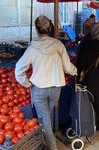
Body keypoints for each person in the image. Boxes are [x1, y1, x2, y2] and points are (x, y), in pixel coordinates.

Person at [15, 15, 77, 150]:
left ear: (37, 30)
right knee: (48, 115)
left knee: (45, 118)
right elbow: (67, 67)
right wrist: (75, 71)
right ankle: (48, 137)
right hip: (56, 88)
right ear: (49, 29)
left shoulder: (33, 47)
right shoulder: (59, 45)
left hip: (39, 89)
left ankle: (52, 146)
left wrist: (26, 83)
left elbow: (19, 68)